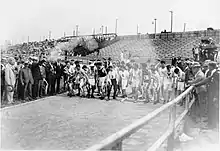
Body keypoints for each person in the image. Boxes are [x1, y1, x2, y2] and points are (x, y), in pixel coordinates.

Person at [194, 61, 219, 129]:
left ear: (212, 67)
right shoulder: (211, 73)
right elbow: (207, 80)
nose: (208, 67)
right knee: (209, 108)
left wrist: (216, 96)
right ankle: (210, 123)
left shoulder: (217, 74)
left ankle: (212, 125)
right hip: (210, 93)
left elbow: (217, 86)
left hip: (213, 94)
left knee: (213, 109)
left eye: (209, 66)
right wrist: (196, 84)